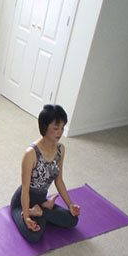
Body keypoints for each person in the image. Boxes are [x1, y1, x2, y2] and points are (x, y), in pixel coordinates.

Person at [10, 104, 80, 243]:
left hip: (41, 199)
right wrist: (26, 217)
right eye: (55, 128)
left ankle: (41, 210)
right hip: (22, 201)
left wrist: (70, 205)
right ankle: (33, 211)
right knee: (34, 236)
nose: (60, 132)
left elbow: (58, 180)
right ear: (44, 127)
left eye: (62, 128)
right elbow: (25, 190)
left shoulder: (61, 149)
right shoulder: (31, 153)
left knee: (73, 220)